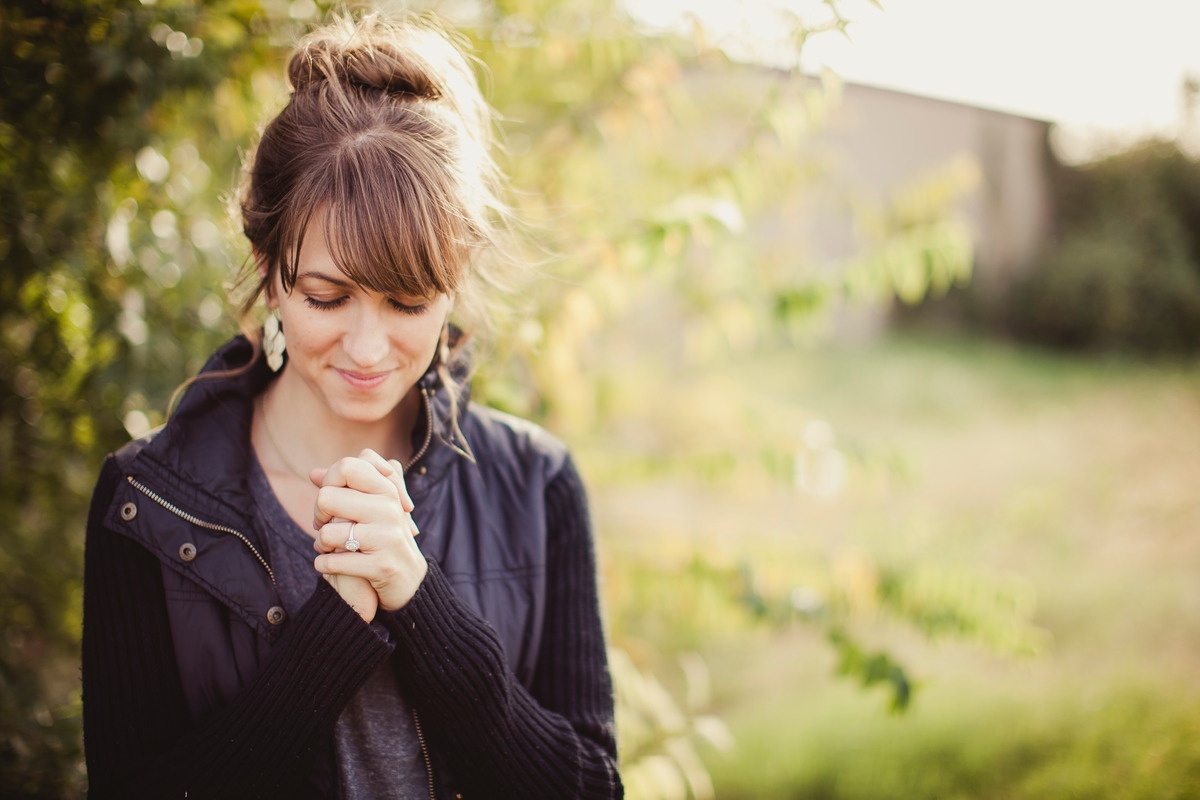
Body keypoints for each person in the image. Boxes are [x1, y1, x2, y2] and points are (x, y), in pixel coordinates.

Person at [81, 11, 621, 799]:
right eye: (328, 297)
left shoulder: (536, 486)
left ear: (455, 279)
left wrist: (419, 600)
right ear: (270, 273)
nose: (368, 350)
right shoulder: (147, 508)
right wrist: (331, 636)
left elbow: (591, 789)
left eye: (407, 303)